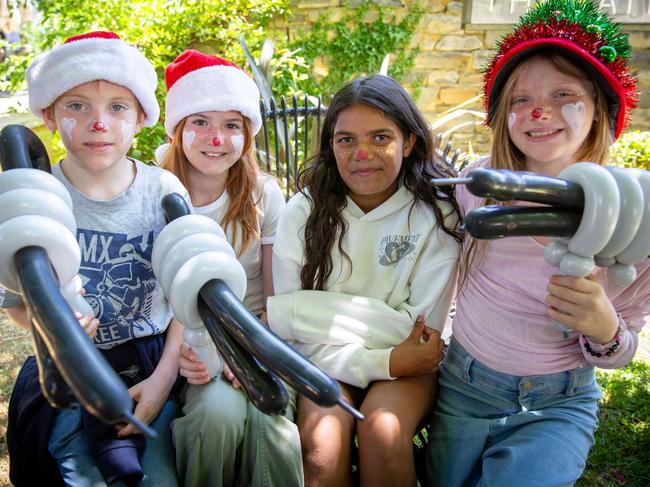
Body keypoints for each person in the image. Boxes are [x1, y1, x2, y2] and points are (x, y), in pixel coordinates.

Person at [425, 1, 650, 485]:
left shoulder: (632, 220)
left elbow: (624, 345)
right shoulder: (473, 189)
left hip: (559, 401)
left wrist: (604, 326)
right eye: (520, 100)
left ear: (597, 111)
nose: (539, 111)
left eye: (563, 93)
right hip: (465, 389)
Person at [3, 31, 189, 486]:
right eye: (77, 106)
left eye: (117, 107)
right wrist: (50, 320)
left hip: (149, 364)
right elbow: (18, 303)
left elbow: (187, 297)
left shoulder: (164, 192)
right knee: (81, 472)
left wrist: (163, 380)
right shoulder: (30, 199)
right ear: (49, 114)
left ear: (142, 116)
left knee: (154, 476)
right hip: (66, 368)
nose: (98, 122)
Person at [265, 74, 463, 486]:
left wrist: (309, 312)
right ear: (331, 145)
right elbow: (289, 330)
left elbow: (420, 336)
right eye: (346, 140)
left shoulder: (435, 215)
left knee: (383, 432)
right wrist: (382, 358)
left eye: (380, 138)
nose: (362, 154)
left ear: (408, 142)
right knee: (321, 444)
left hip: (410, 369)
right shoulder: (303, 212)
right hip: (327, 361)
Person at [157, 49, 303, 487]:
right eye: (200, 122)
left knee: (271, 421)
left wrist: (258, 351)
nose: (216, 138)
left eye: (231, 126)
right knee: (217, 415)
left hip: (259, 341)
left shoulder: (263, 195)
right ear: (179, 129)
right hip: (191, 348)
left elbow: (277, 298)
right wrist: (192, 356)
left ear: (247, 134)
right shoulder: (155, 194)